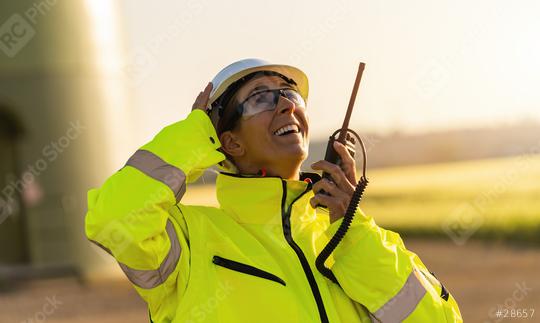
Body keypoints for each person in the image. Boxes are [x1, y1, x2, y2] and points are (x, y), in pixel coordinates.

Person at [85, 58, 463, 322]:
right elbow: (114, 219)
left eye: (291, 94)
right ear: (228, 142)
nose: (286, 104)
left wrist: (353, 231)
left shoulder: (348, 236)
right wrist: (193, 134)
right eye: (261, 97)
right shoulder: (190, 244)